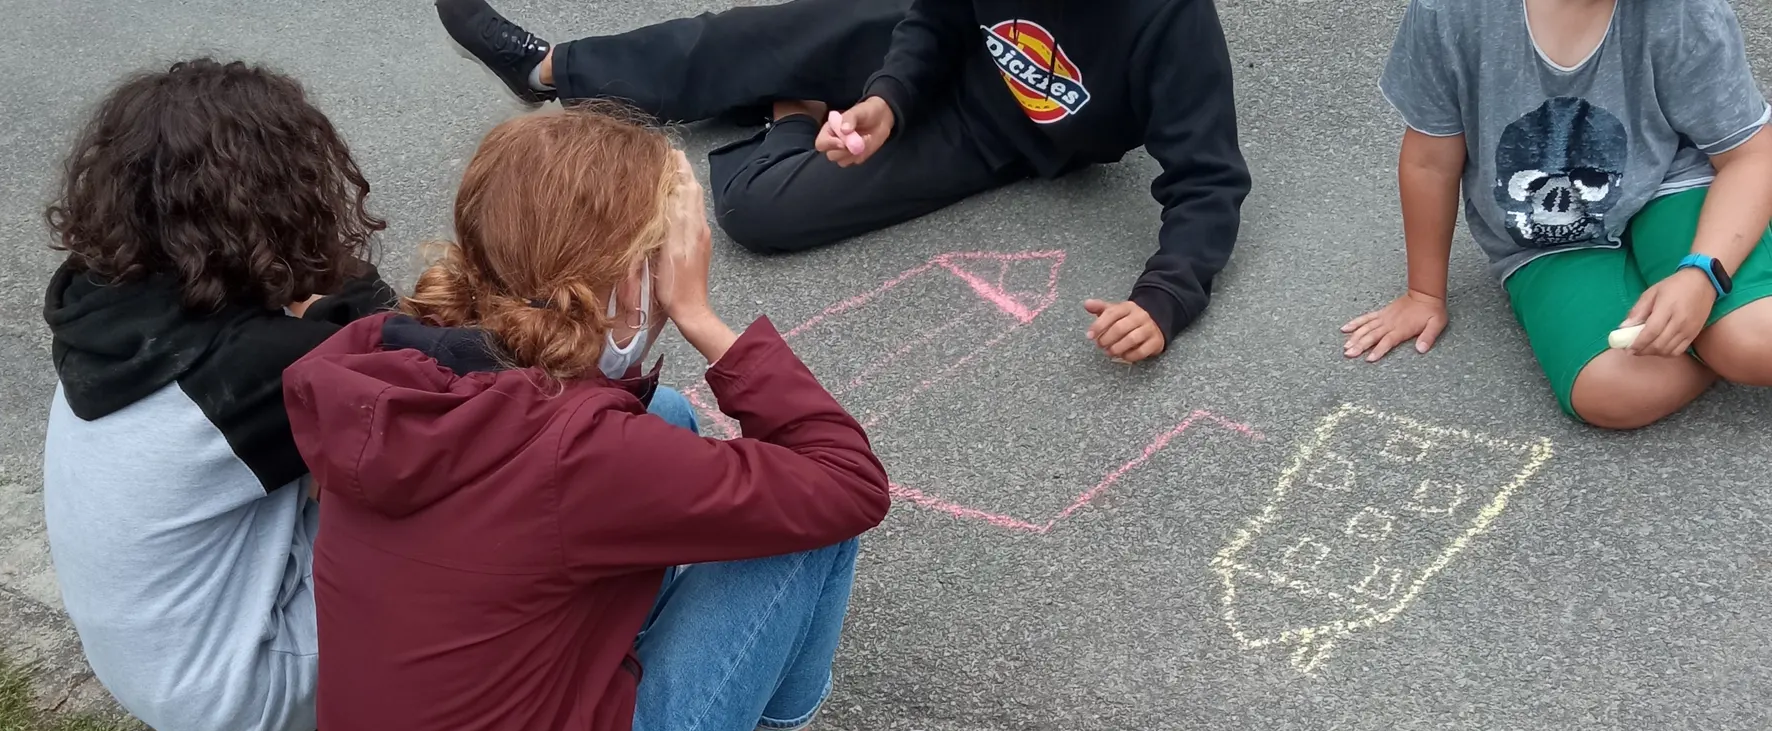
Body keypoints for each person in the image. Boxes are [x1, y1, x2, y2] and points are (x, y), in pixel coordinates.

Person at [283, 107, 945, 731]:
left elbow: (555, 467)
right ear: (630, 282)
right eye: (672, 257)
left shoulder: (391, 361)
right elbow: (845, 481)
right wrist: (702, 318)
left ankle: (615, 675)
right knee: (809, 520)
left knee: (661, 411)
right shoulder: (577, 454)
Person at [435, 0, 1250, 365]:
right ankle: (547, 67)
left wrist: (1164, 299)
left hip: (995, 135)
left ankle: (792, 102)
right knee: (743, 42)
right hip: (923, 59)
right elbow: (932, 20)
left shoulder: (1169, 18)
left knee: (758, 209)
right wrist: (890, 99)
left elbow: (1209, 179)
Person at [42, 59, 395, 731]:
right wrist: (318, 297)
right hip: (243, 698)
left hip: (153, 671)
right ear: (283, 200)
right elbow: (405, 349)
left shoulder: (98, 308)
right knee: (455, 490)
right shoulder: (255, 369)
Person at [1345, 0, 1772, 430]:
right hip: (1546, 237)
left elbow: (1751, 155)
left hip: (1670, 185)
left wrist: (1701, 276)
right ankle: (1710, 341)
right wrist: (1424, 294)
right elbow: (1429, 161)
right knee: (1611, 393)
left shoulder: (1683, 12)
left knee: (1754, 343)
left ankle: (1717, 332)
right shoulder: (1451, 12)